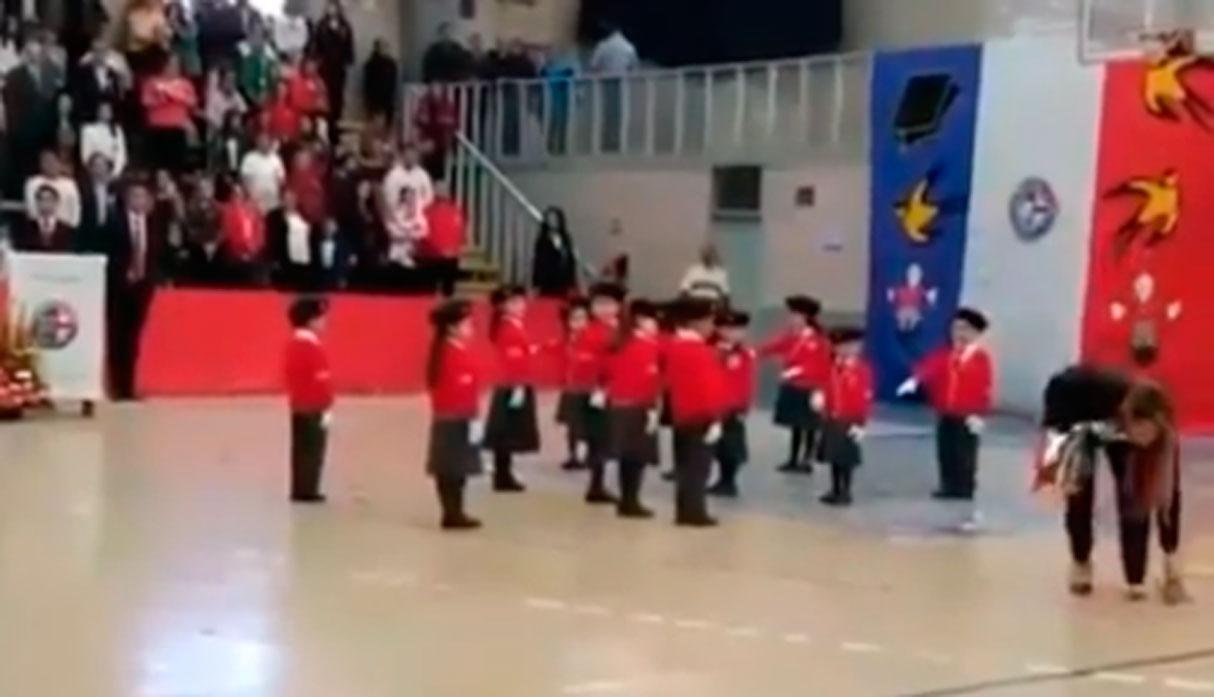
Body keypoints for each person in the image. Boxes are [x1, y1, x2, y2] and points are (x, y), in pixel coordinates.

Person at [1037, 367, 1189, 604]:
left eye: (1152, 436)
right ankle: (1081, 561)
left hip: (1117, 426)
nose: (1147, 442)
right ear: (1133, 420)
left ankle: (1135, 577)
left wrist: (1171, 555)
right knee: (1080, 492)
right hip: (1076, 414)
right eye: (1144, 434)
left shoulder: (1162, 433)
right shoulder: (1093, 395)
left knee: (1134, 494)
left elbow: (1168, 493)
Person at [897, 307, 994, 501]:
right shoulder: (946, 355)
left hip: (968, 413)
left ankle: (965, 485)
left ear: (976, 333)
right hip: (945, 410)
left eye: (965, 329)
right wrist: (915, 380)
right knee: (946, 449)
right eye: (955, 329)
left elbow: (985, 386)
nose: (959, 334)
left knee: (965, 451)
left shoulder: (980, 358)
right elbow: (929, 367)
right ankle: (948, 484)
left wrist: (979, 413)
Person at [665, 296, 728, 527]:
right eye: (709, 321)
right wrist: (715, 417)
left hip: (682, 413)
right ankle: (694, 511)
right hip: (700, 414)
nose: (712, 326)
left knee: (684, 465)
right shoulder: (696, 350)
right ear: (696, 323)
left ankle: (685, 509)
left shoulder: (675, 345)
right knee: (697, 466)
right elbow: (707, 386)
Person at [425, 299, 485, 530]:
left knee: (458, 468)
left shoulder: (456, 350)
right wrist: (469, 416)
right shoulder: (449, 353)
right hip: (454, 418)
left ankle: (455, 510)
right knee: (450, 468)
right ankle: (451, 512)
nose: (471, 328)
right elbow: (456, 389)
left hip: (460, 416)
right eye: (467, 323)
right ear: (452, 327)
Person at [106, 181, 166, 401]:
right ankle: (115, 385)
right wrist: (123, 272)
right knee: (117, 336)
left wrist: (153, 278)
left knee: (133, 337)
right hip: (119, 286)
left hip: (143, 287)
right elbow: (109, 254)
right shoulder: (115, 222)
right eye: (134, 196)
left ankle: (129, 385)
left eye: (143, 196)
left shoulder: (153, 223)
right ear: (127, 199)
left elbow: (157, 254)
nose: (138, 201)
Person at [760, 295, 831, 474]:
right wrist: (754, 353)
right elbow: (774, 346)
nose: (792, 319)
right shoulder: (792, 335)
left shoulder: (817, 338)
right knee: (795, 425)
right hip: (793, 386)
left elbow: (819, 364)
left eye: (796, 315)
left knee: (809, 426)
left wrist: (797, 371)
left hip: (809, 387)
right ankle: (793, 459)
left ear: (806, 317)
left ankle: (807, 460)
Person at [606, 299, 663, 518]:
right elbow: (648, 378)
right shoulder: (645, 346)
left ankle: (627, 499)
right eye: (652, 319)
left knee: (628, 457)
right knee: (636, 457)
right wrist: (651, 406)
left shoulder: (621, 342)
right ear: (641, 320)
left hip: (620, 405)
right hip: (638, 407)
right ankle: (631, 501)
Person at [481, 285, 539, 493]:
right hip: (512, 385)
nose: (520, 306)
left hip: (514, 384)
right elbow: (512, 360)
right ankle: (502, 474)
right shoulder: (508, 328)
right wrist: (518, 384)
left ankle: (504, 472)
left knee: (507, 431)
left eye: (521, 301)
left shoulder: (514, 325)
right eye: (514, 302)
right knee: (506, 432)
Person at [577, 281, 625, 503]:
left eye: (609, 304)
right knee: (598, 438)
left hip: (618, 391)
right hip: (597, 392)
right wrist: (596, 386)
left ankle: (600, 481)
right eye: (599, 304)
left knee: (608, 438)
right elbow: (587, 362)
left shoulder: (622, 330)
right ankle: (595, 484)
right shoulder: (589, 331)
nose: (603, 309)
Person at [283, 296, 333, 503]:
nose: (325, 322)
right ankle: (306, 488)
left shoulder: (302, 343)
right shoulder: (306, 345)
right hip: (312, 406)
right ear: (311, 320)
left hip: (305, 405)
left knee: (306, 448)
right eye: (321, 318)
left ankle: (305, 486)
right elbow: (316, 378)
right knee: (311, 448)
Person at [819, 328, 874, 507]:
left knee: (847, 459)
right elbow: (827, 389)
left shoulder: (861, 370)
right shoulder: (832, 367)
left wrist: (861, 423)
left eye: (852, 346)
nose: (846, 350)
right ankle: (834, 488)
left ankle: (846, 490)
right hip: (833, 418)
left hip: (851, 419)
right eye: (841, 346)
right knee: (834, 456)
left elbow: (865, 397)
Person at [709, 309, 755, 497]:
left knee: (732, 447)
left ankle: (729, 481)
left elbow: (748, 381)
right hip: (714, 404)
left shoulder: (746, 353)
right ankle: (720, 479)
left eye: (738, 329)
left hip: (734, 406)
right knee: (716, 446)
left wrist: (745, 404)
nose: (734, 333)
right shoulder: (712, 350)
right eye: (728, 329)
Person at [140, 56, 198, 173]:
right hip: (157, 129)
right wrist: (165, 99)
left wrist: (168, 95)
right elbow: (146, 101)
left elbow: (191, 101)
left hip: (177, 129)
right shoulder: (152, 82)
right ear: (164, 66)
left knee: (176, 165)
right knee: (157, 165)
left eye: (176, 65)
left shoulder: (185, 84)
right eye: (171, 64)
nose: (174, 68)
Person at [555, 296, 592, 471]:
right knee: (572, 424)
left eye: (582, 318)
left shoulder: (591, 339)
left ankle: (590, 454)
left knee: (590, 423)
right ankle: (573, 454)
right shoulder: (567, 339)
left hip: (588, 387)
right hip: (571, 387)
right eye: (574, 319)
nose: (578, 323)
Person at [310, 0, 354, 129]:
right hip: (325, 68)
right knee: (324, 98)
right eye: (330, 6)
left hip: (339, 68)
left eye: (335, 7)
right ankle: (323, 129)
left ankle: (335, 128)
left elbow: (349, 46)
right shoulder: (321, 25)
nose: (332, 9)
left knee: (337, 99)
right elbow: (316, 46)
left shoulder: (345, 26)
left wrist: (347, 59)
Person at [420, 181, 465, 297]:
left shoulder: (455, 211)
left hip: (444, 255)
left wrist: (453, 249)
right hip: (435, 255)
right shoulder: (429, 211)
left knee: (443, 288)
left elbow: (459, 232)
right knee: (437, 288)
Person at [268, 188, 315, 290]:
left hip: (302, 258)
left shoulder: (303, 214)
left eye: (291, 199)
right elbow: (272, 238)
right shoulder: (274, 216)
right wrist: (274, 258)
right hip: (284, 259)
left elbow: (310, 233)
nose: (289, 202)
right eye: (286, 199)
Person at [219, 180, 266, 284]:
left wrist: (253, 249)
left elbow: (259, 234)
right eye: (234, 194)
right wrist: (241, 252)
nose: (237, 197)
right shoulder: (228, 212)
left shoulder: (253, 212)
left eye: (239, 194)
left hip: (253, 255)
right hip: (235, 256)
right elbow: (229, 233)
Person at [24, 150, 82, 227]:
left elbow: (75, 210)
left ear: (60, 164)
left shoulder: (70, 184)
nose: (50, 165)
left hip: (65, 229)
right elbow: (32, 209)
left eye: (53, 161)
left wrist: (72, 228)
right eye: (46, 162)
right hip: (40, 229)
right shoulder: (33, 183)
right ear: (41, 165)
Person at [413, 83, 457, 180]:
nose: (436, 90)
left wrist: (447, 148)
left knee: (439, 178)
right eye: (434, 86)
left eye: (438, 87)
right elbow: (417, 126)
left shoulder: (447, 106)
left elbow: (450, 130)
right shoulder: (424, 104)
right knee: (423, 175)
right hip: (425, 147)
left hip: (440, 149)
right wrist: (419, 144)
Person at [531, 206, 578, 297]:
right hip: (547, 282)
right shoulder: (542, 240)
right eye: (550, 220)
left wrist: (572, 281)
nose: (553, 222)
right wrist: (536, 283)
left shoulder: (566, 238)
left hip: (563, 282)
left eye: (555, 219)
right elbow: (538, 262)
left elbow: (570, 260)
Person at [77, 153, 119, 254]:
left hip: (112, 238)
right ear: (90, 169)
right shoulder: (83, 190)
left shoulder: (116, 189)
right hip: (89, 236)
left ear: (108, 168)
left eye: (102, 165)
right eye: (95, 166)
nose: (99, 169)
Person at [15, 185, 75, 252]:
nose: (45, 203)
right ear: (37, 203)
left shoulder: (67, 230)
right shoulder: (24, 229)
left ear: (56, 202)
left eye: (49, 199)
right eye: (42, 199)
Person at [239, 130, 285, 213]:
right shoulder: (249, 158)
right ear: (257, 143)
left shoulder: (276, 159)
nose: (264, 143)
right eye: (261, 141)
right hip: (255, 205)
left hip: (273, 204)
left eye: (266, 140)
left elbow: (281, 180)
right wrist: (250, 199)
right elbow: (244, 180)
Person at [237, 21, 280, 108]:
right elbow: (243, 80)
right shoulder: (241, 50)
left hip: (266, 94)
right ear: (249, 35)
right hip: (246, 96)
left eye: (261, 34)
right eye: (255, 34)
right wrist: (254, 96)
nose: (258, 38)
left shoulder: (270, 53)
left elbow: (274, 75)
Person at [382, 141, 434, 212]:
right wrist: (404, 204)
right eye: (409, 155)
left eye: (414, 155)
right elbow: (389, 200)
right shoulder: (393, 176)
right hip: (397, 216)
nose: (411, 158)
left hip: (417, 213)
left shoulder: (422, 174)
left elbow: (429, 196)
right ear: (403, 156)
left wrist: (418, 205)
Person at [80, 100, 129, 176]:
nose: (106, 113)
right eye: (103, 110)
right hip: (95, 170)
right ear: (98, 112)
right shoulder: (88, 130)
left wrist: (115, 173)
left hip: (114, 172)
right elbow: (85, 155)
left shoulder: (117, 130)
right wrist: (97, 168)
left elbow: (121, 155)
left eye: (108, 110)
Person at [361, 38, 397, 122]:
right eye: (382, 46)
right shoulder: (371, 63)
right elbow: (367, 82)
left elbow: (393, 80)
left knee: (385, 117)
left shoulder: (390, 63)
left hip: (386, 96)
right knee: (374, 119)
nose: (384, 48)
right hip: (375, 96)